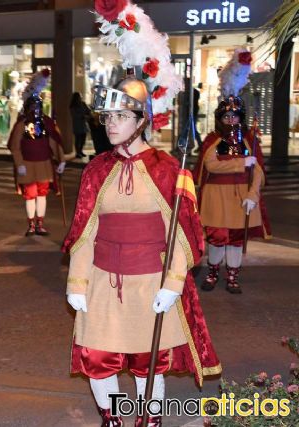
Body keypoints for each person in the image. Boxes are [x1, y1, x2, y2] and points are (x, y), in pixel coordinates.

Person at [64, 77, 221, 427]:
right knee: (98, 355)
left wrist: (174, 283)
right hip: (103, 282)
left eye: (122, 116)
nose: (112, 124)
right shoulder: (96, 169)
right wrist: (77, 283)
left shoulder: (168, 169)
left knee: (146, 359)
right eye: (108, 117)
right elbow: (85, 232)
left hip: (151, 280)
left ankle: (149, 420)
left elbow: (182, 232)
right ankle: (113, 417)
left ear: (141, 121)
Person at [193, 48, 271, 294]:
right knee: (216, 238)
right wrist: (239, 164)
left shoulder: (249, 140)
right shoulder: (213, 140)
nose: (231, 120)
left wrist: (252, 195)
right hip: (217, 198)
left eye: (235, 116)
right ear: (220, 117)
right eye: (227, 116)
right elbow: (210, 165)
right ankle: (213, 273)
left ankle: (232, 277)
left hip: (240, 198)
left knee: (236, 241)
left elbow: (257, 170)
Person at [8, 69, 65, 236]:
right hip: (27, 164)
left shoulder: (46, 123)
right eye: (33, 106)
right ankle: (31, 224)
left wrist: (61, 160)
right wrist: (19, 164)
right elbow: (15, 146)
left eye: (38, 106)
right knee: (30, 195)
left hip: (44, 164)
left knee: (42, 195)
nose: (36, 109)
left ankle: (40, 223)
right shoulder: (22, 124)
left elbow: (54, 142)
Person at [69, 92, 90, 158]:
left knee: (83, 139)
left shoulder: (83, 104)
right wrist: (83, 115)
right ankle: (77, 153)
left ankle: (80, 151)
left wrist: (87, 111)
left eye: (81, 97)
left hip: (83, 124)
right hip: (77, 124)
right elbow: (74, 115)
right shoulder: (73, 106)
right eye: (79, 97)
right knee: (78, 139)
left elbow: (88, 111)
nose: (81, 98)